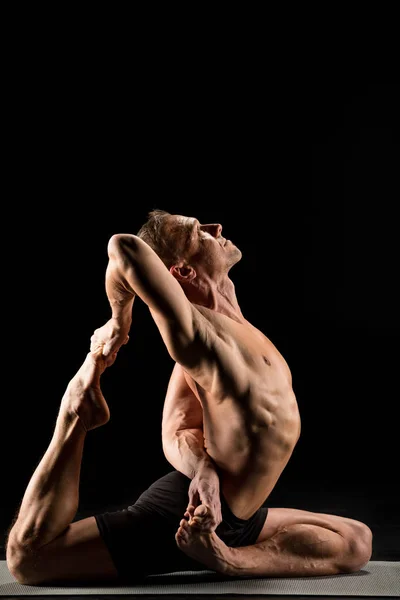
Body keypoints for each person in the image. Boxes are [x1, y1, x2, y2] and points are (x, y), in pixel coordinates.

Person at [6, 210, 372, 585]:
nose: (217, 228)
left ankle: (226, 554)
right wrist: (119, 321)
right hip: (183, 513)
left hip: (232, 514)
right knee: (29, 559)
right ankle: (75, 413)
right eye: (200, 233)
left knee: (356, 540)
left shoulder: (231, 331)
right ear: (182, 272)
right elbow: (124, 247)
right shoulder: (197, 337)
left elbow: (178, 427)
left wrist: (206, 470)